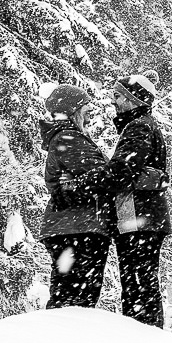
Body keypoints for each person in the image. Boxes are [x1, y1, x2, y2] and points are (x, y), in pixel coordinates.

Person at [39, 84, 113, 309]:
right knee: (75, 300)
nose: (89, 117)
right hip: (77, 228)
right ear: (72, 112)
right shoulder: (69, 139)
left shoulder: (67, 138)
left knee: (71, 295)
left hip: (72, 227)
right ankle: (62, 339)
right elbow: (104, 175)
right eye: (85, 111)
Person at [108, 72, 171, 327]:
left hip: (138, 218)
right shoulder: (143, 125)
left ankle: (142, 335)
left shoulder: (139, 126)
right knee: (141, 280)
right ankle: (145, 332)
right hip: (141, 217)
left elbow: (122, 170)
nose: (114, 102)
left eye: (118, 96)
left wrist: (96, 178)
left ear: (133, 99)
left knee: (137, 282)